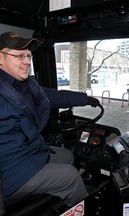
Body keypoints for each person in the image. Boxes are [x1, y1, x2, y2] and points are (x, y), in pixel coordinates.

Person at [0, 31, 100, 208]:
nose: (27, 61)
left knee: (68, 156)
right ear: (0, 58)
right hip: (10, 170)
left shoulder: (26, 84)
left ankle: (60, 204)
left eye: (28, 56)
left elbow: (53, 96)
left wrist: (84, 98)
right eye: (20, 56)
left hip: (30, 153)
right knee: (71, 177)